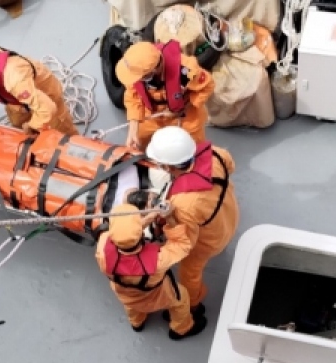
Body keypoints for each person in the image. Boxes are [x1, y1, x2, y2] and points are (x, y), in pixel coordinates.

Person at [144, 126, 238, 316]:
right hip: (229, 214)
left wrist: (162, 221)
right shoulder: (216, 154)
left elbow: (186, 242)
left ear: (168, 167)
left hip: (210, 241)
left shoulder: (184, 204)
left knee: (189, 273)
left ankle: (193, 305)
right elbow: (230, 167)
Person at [95, 203, 207, 340]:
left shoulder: (102, 250)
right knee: (182, 297)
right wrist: (170, 218)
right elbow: (182, 244)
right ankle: (182, 329)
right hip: (157, 297)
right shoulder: (158, 261)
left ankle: (137, 323)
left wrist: (150, 217)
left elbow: (123, 236)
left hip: (126, 297)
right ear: (140, 234)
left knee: (131, 307)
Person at [115, 40, 214, 150]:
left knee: (193, 149)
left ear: (155, 69)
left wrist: (184, 108)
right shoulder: (135, 72)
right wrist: (133, 130)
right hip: (152, 115)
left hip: (185, 116)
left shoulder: (187, 69)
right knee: (138, 142)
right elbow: (132, 98)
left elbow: (207, 86)